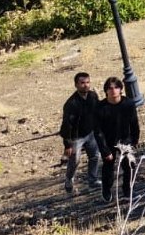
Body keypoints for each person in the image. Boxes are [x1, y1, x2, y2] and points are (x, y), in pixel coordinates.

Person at [94, 77, 139, 207]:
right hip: (108, 141)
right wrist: (105, 150)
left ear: (120, 89)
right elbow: (98, 131)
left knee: (129, 165)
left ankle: (127, 192)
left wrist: (134, 140)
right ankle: (106, 190)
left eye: (116, 87)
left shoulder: (128, 104)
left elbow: (134, 123)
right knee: (108, 166)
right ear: (106, 91)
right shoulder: (100, 108)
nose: (113, 90)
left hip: (125, 140)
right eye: (110, 88)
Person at [59, 71, 101, 197]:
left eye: (87, 82)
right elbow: (67, 125)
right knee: (75, 161)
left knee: (95, 156)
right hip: (76, 137)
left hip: (90, 133)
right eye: (82, 83)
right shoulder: (71, 104)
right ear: (76, 85)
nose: (86, 85)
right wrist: (67, 145)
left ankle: (92, 180)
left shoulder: (93, 96)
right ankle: (69, 180)